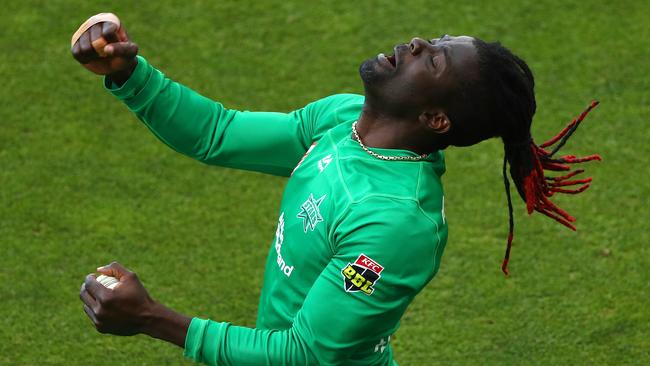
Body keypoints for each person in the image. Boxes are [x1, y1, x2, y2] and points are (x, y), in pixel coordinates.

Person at [74, 14, 600, 366]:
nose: (418, 44)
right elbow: (219, 133)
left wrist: (151, 317)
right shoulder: (346, 119)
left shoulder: (395, 222)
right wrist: (131, 76)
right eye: (435, 41)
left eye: (434, 60)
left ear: (436, 117)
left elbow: (304, 355)